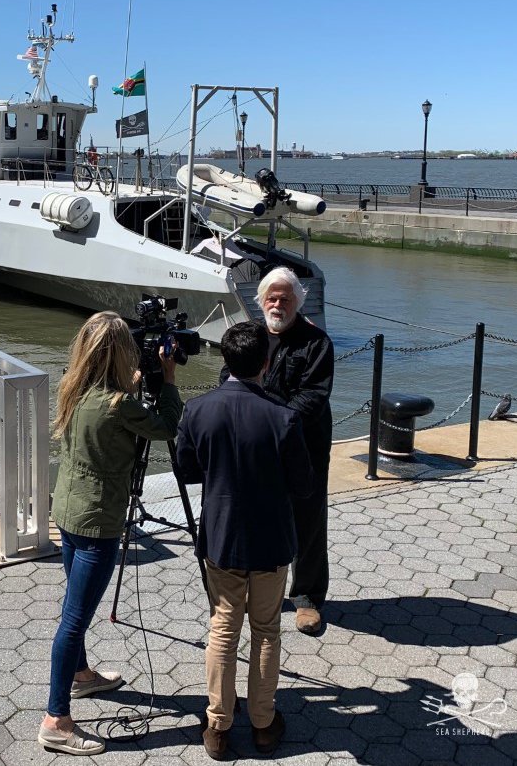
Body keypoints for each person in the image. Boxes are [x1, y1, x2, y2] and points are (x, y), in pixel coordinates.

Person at [38, 311, 183, 756]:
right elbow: (166, 426)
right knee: (73, 621)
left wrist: (133, 386)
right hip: (98, 521)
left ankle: (81, 676)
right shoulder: (120, 404)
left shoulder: (74, 387)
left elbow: (110, 418)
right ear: (119, 354)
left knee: (73, 606)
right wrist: (169, 379)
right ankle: (56, 720)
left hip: (68, 511)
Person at [177, 321, 313, 759]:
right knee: (266, 629)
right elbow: (304, 485)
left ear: (225, 359)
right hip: (271, 539)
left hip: (222, 537)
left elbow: (187, 470)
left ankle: (218, 726)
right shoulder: (283, 416)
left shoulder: (197, 410)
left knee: (223, 628)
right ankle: (262, 722)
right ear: (266, 363)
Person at [253, 266, 334, 636]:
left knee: (308, 523)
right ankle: (262, 590)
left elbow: (313, 396)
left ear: (297, 302)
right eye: (271, 298)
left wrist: (270, 419)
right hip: (260, 446)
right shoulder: (249, 336)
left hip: (305, 446)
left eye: (285, 299)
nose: (277, 304)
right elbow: (230, 377)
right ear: (261, 301)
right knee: (262, 518)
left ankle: (307, 597)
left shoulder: (316, 342)